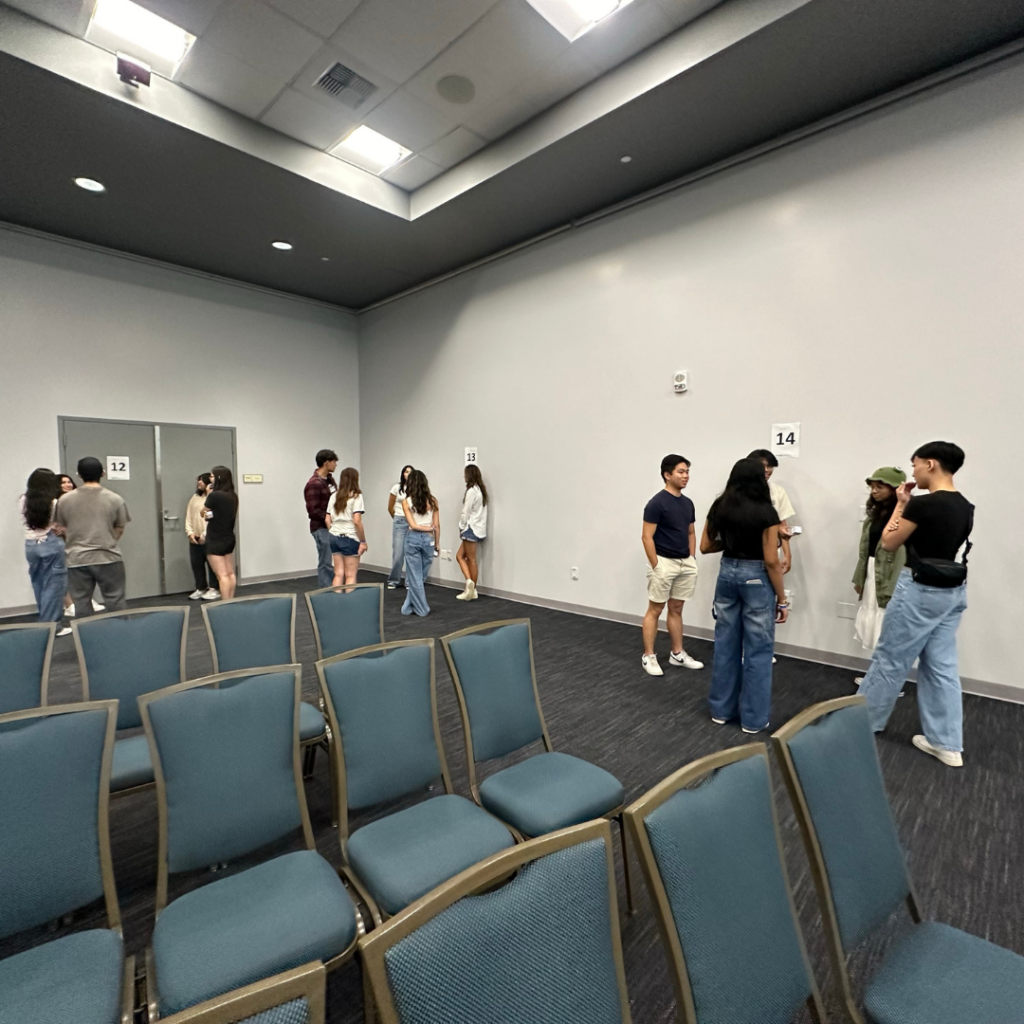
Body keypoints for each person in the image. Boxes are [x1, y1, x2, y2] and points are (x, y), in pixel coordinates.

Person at [858, 442, 974, 768]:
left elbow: (889, 542)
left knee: (890, 660)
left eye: (916, 465)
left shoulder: (922, 505)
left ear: (931, 464)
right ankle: (947, 743)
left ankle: (861, 725)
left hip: (919, 590)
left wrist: (901, 505)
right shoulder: (966, 506)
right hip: (952, 592)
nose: (913, 472)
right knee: (942, 667)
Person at [700, 458, 788, 733]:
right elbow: (772, 561)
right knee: (758, 651)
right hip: (755, 577)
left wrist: (730, 542)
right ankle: (753, 719)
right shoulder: (767, 513)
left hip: (727, 573)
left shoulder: (719, 506)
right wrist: (782, 599)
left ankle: (721, 711)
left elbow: (704, 546)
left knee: (725, 645)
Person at [641, 454, 703, 676]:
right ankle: (649, 656)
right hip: (664, 563)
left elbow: (690, 532)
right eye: (681, 471)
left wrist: (691, 558)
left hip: (685, 563)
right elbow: (647, 537)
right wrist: (656, 565)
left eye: (687, 471)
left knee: (676, 609)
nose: (686, 476)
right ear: (667, 475)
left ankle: (677, 653)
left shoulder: (687, 503)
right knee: (655, 609)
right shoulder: (656, 503)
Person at [54, 457, 130, 618]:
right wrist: (107, 541)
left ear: (78, 475)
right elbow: (120, 528)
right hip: (108, 557)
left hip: (76, 559)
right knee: (116, 601)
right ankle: (122, 636)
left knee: (81, 604)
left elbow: (60, 526)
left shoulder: (64, 500)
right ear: (103, 473)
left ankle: (86, 640)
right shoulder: (115, 499)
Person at [852, 467, 907, 664]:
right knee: (875, 615)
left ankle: (888, 679)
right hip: (873, 571)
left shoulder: (906, 514)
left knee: (888, 621)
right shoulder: (874, 515)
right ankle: (879, 674)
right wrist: (860, 578)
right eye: (872, 487)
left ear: (895, 489)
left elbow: (903, 553)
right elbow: (865, 551)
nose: (874, 491)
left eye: (880, 486)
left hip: (892, 574)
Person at [20, 468, 70, 635]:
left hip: (31, 545)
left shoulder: (24, 500)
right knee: (54, 586)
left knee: (39, 584)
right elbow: (58, 524)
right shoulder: (54, 503)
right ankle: (52, 626)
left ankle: (45, 622)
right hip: (50, 544)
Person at [748, 450, 796, 573]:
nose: (767, 470)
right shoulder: (740, 491)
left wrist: (787, 555)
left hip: (772, 552)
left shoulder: (777, 491)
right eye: (762, 465)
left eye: (770, 466)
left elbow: (782, 524)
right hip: (745, 555)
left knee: (771, 589)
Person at [400, 470, 439, 617]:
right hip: (429, 540)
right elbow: (437, 526)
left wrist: (425, 528)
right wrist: (437, 543)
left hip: (413, 539)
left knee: (415, 576)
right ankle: (407, 607)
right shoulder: (433, 501)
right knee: (420, 576)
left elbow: (413, 525)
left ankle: (422, 609)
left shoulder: (406, 502)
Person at [325, 467, 367, 587]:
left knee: (338, 574)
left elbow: (327, 519)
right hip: (349, 537)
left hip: (334, 536)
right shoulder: (356, 496)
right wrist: (363, 541)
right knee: (350, 575)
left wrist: (333, 532)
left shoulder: (333, 496)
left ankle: (336, 603)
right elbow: (357, 521)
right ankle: (348, 604)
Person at [305, 449, 338, 589]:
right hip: (321, 528)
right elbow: (313, 510)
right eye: (334, 462)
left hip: (333, 526)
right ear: (326, 463)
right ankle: (326, 591)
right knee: (325, 561)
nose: (335, 465)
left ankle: (332, 587)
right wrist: (328, 519)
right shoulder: (313, 484)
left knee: (333, 560)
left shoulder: (329, 479)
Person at [204, 465, 238, 600]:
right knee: (230, 573)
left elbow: (203, 511)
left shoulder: (214, 496)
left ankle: (225, 603)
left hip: (215, 538)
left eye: (211, 476)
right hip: (228, 537)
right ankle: (231, 600)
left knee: (221, 575)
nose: (210, 479)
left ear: (218, 478)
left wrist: (208, 494)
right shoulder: (233, 495)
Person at [456, 464, 488, 601]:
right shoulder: (480, 491)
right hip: (478, 528)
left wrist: (461, 526)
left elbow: (466, 511)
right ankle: (472, 588)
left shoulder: (471, 492)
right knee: (462, 556)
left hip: (470, 528)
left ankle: (470, 585)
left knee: (469, 559)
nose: (463, 476)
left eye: (465, 474)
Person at [186, 473, 219, 600]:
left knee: (212, 565)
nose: (199, 483)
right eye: (198, 480)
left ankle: (214, 588)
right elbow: (189, 516)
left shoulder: (213, 498)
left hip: (209, 538)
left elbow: (213, 519)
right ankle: (201, 588)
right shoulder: (194, 497)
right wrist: (190, 533)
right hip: (195, 538)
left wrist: (205, 535)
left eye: (201, 481)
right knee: (197, 564)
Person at [387, 464, 414, 589]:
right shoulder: (396, 488)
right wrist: (397, 518)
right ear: (403, 474)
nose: (407, 474)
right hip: (399, 520)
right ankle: (394, 580)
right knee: (398, 553)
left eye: (410, 472)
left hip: (412, 522)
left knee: (411, 553)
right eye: (406, 471)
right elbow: (390, 507)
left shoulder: (416, 489)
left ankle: (409, 582)